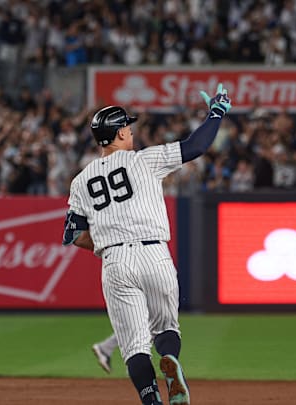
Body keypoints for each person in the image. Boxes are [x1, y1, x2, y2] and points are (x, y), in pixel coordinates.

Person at [62, 84, 232, 405]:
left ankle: (152, 400)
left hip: (115, 261)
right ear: (121, 133)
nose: (130, 130)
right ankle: (170, 361)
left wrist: (106, 244)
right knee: (167, 328)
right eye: (127, 125)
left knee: (134, 348)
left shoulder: (80, 180)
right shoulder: (145, 160)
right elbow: (197, 145)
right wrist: (217, 112)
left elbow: (73, 235)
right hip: (154, 253)